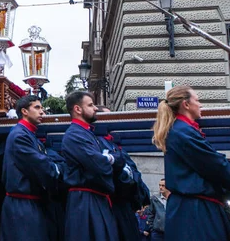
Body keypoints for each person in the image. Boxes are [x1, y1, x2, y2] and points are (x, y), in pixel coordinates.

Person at [152, 86, 230, 240]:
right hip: (196, 213)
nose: (200, 104)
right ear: (186, 104)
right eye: (197, 100)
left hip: (191, 209)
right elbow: (215, 165)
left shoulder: (181, 130)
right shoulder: (183, 132)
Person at [0, 95, 64, 241]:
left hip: (31, 204)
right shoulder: (20, 135)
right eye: (37, 107)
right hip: (22, 207)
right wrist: (58, 169)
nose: (42, 112)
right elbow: (40, 165)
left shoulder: (29, 134)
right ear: (24, 111)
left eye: (42, 108)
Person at [61, 91, 119, 241]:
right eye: (91, 105)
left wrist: (109, 159)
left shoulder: (86, 133)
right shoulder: (75, 134)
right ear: (77, 109)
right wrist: (112, 159)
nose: (95, 109)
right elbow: (98, 165)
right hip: (85, 202)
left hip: (93, 198)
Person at [96, 125, 150, 241]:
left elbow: (133, 173)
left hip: (126, 205)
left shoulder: (116, 147)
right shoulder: (99, 143)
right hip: (114, 204)